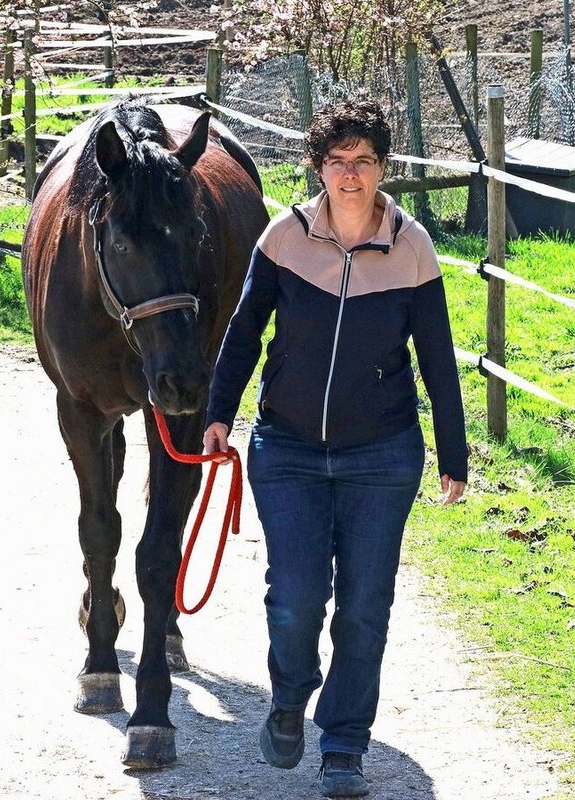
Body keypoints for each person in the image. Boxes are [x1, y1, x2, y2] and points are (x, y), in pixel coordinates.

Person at [202, 99, 469, 798]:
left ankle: (344, 746)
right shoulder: (283, 238)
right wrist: (219, 414)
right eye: (338, 162)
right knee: (294, 595)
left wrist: (453, 453)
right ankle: (291, 698)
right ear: (319, 166)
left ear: (384, 168)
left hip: (381, 455)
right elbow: (243, 332)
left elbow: (438, 359)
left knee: (363, 605)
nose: (351, 176)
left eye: (365, 162)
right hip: (286, 449)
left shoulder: (411, 247)